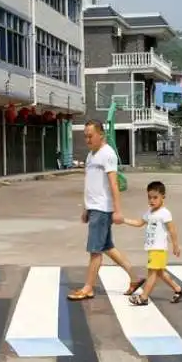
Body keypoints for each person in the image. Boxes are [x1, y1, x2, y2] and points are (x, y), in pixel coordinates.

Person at [68, 120, 146, 301]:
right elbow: (90, 183)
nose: (87, 139)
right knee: (107, 247)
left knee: (95, 250)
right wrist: (86, 207)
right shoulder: (91, 155)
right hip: (94, 207)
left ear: (101, 134)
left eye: (90, 136)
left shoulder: (107, 154)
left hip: (102, 209)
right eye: (85, 136)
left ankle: (88, 288)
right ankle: (134, 279)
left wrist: (117, 211)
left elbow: (113, 184)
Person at [122, 181, 182, 306]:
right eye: (149, 197)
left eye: (155, 197)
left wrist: (175, 245)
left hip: (159, 249)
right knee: (160, 273)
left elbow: (172, 229)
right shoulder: (149, 212)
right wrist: (124, 220)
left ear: (163, 197)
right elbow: (139, 223)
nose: (152, 200)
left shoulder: (165, 213)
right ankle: (179, 290)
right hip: (152, 248)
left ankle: (143, 297)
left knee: (152, 273)